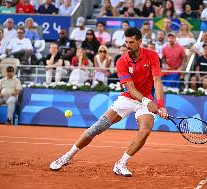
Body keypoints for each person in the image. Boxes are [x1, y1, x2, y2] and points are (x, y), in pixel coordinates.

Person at [49, 27, 168, 177]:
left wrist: (161, 105)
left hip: (146, 100)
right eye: (126, 42)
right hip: (128, 98)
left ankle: (121, 164)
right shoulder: (122, 61)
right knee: (96, 128)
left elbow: (157, 81)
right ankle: (66, 157)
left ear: (139, 42)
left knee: (145, 131)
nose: (128, 46)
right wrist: (146, 101)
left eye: (131, 42)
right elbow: (130, 89)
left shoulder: (152, 55)